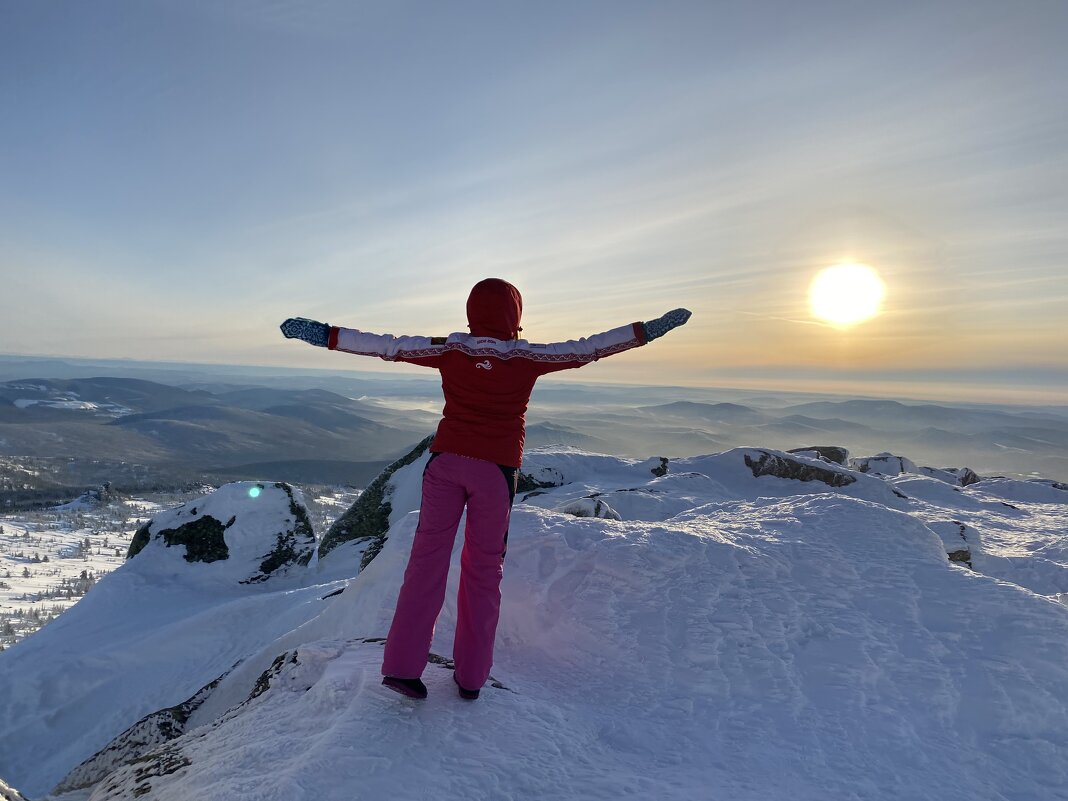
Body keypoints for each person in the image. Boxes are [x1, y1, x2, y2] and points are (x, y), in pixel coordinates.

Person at [281, 278, 690, 700]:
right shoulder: (529, 356)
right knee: (483, 571)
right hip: (495, 472)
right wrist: (645, 331)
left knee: (425, 564)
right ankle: (471, 678)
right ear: (515, 314)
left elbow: (390, 345)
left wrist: (325, 335)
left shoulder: (451, 348)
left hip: (445, 464)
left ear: (472, 312)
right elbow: (589, 347)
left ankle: (403, 669)